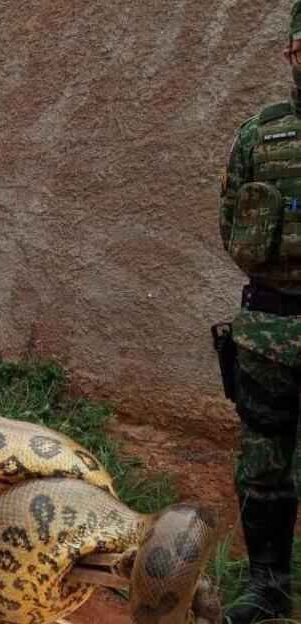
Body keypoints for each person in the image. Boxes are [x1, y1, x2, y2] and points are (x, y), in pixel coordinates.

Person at [216, 3, 301, 621]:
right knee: (263, 466)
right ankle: (268, 585)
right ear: (291, 55)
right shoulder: (259, 136)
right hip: (269, 337)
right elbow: (230, 225)